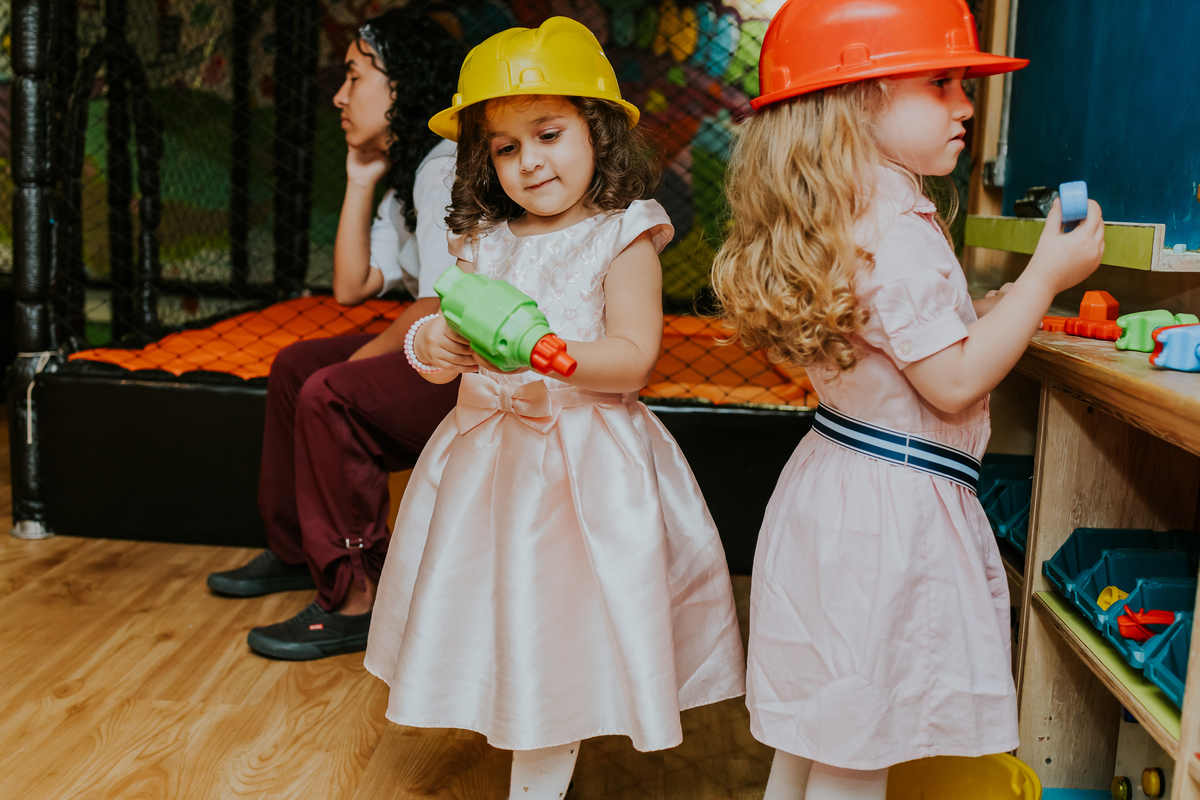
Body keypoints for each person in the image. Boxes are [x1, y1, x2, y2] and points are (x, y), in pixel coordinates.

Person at [709, 1, 1106, 798]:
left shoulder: (847, 211)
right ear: (859, 100)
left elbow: (902, 340)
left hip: (839, 490)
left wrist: (990, 313)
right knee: (861, 744)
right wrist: (1042, 279)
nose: (966, 105)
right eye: (942, 83)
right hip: (889, 518)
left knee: (826, 723)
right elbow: (954, 382)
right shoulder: (900, 229)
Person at [363, 18, 746, 800]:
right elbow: (446, 333)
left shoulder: (623, 235)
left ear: (596, 132)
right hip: (488, 465)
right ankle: (514, 722)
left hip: (584, 467)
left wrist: (555, 355)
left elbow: (634, 358)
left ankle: (538, 774)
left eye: (549, 133)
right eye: (506, 148)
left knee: (563, 619)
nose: (530, 161)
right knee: (494, 611)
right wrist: (434, 345)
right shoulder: (485, 242)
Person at [205, 8, 466, 661]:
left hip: (472, 361)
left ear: (402, 84)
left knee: (329, 391)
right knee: (298, 366)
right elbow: (352, 286)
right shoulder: (405, 170)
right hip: (435, 341)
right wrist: (359, 176)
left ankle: (358, 596)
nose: (339, 96)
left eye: (354, 76)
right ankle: (300, 550)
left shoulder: (441, 168)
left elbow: (441, 303)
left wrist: (352, 370)